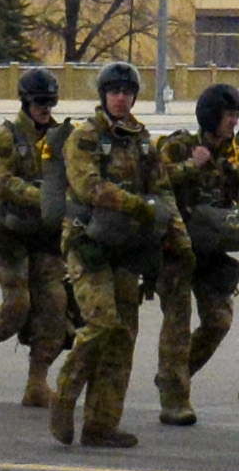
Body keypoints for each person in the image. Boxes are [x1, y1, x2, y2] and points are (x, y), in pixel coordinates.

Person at [52, 63, 171, 450]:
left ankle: (101, 424)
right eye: (115, 91)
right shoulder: (85, 137)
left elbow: (162, 191)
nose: (121, 98)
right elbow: (88, 186)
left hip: (125, 247)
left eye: (127, 91)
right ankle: (64, 395)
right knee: (101, 322)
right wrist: (137, 205)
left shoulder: (142, 140)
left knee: (123, 335)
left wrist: (177, 241)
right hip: (88, 244)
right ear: (103, 95)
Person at [0, 65, 73, 410]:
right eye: (40, 102)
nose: (46, 109)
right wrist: (43, 196)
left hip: (46, 238)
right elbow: (1, 182)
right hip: (9, 236)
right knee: (17, 306)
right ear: (25, 102)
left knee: (55, 307)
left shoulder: (62, 138)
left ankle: (37, 382)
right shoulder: (7, 136)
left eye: (50, 103)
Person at [151, 80, 239, 426]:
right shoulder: (179, 146)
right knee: (177, 324)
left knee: (219, 320)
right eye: (228, 114)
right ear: (211, 116)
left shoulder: (233, 154)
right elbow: (153, 181)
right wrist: (190, 166)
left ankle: (173, 375)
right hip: (175, 248)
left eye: (236, 115)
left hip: (210, 250)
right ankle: (174, 399)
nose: (234, 121)